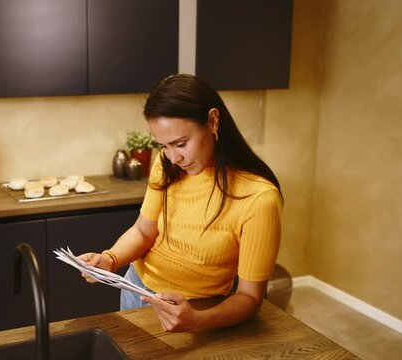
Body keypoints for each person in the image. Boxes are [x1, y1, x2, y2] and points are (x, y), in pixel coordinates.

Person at [79, 74, 283, 332]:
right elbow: (144, 231)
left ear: (212, 121)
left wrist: (196, 320)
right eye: (163, 146)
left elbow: (250, 298)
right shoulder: (165, 164)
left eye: (181, 144)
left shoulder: (259, 198)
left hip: (197, 309)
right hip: (135, 289)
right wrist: (110, 260)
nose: (173, 157)